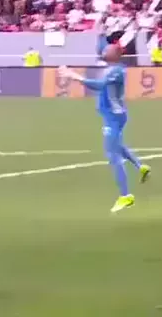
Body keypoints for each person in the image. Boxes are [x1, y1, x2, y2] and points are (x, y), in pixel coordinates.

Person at [59, 43, 151, 213]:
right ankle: (141, 166)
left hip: (114, 117)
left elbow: (100, 86)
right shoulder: (110, 69)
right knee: (118, 146)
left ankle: (126, 196)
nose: (103, 50)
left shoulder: (117, 71)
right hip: (112, 115)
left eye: (107, 49)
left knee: (112, 155)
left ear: (116, 54)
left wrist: (74, 76)